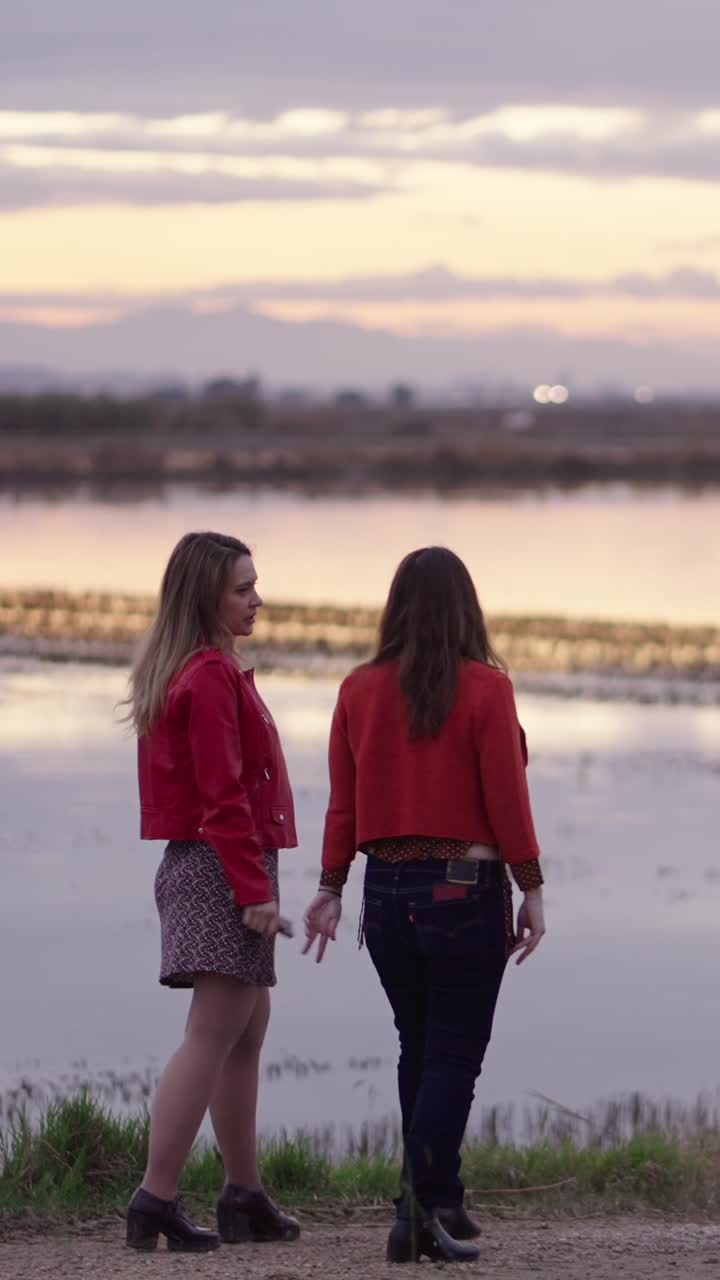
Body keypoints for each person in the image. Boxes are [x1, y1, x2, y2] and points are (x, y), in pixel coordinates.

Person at [304, 546, 546, 1264]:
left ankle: (440, 1199)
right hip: (462, 892)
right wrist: (532, 887)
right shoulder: (487, 690)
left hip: (385, 894)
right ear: (468, 608)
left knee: (422, 1050)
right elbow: (508, 798)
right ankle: (416, 1207)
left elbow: (343, 803)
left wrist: (330, 886)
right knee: (451, 1059)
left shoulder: (357, 689)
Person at [123, 531, 301, 1253]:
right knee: (211, 1035)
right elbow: (222, 795)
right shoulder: (207, 678)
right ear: (206, 596)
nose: (257, 599)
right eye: (242, 589)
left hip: (219, 863)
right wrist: (253, 889)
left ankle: (243, 1193)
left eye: (255, 586)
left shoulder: (207, 671)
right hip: (218, 868)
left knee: (244, 1031)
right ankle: (155, 1199)